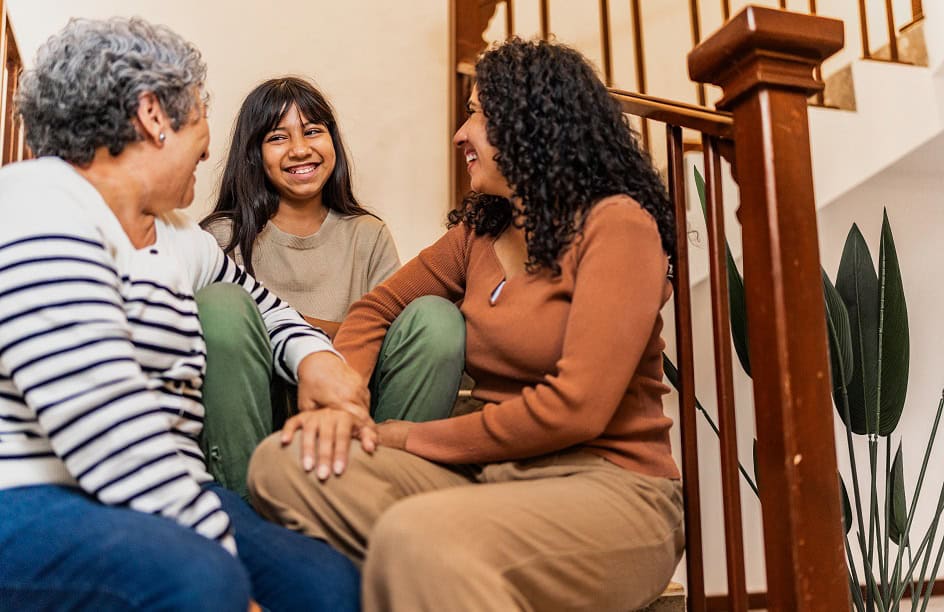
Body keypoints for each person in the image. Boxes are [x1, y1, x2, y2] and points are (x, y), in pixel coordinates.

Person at [248, 37, 685, 612]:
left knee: (418, 537)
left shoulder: (618, 226)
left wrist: (409, 436)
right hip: (487, 478)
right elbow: (374, 310)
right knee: (282, 464)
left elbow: (576, 407)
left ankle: (435, 566)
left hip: (609, 488)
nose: (460, 134)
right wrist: (341, 403)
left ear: (531, 124)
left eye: (477, 113)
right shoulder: (477, 234)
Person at [0, 17, 371, 611]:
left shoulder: (179, 236)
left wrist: (315, 359)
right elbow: (109, 436)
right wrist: (232, 581)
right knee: (197, 580)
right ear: (153, 114)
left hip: (168, 486)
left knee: (326, 583)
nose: (207, 136)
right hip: (32, 493)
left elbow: (267, 308)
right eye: (199, 109)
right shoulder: (33, 208)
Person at [203, 77, 462, 423]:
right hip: (259, 422)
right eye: (278, 137)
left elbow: (396, 338)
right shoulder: (223, 238)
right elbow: (226, 340)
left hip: (354, 414)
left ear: (332, 141)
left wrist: (294, 327)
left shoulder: (368, 235)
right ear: (253, 154)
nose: (299, 149)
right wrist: (339, 330)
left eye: (312, 131)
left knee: (436, 315)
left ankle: (384, 466)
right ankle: (246, 477)